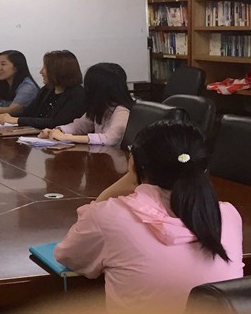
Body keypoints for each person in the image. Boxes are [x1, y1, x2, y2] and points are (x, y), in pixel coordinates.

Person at [54, 120, 244, 313]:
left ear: (133, 164)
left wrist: (127, 180)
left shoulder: (108, 217)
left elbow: (68, 256)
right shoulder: (227, 215)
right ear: (203, 168)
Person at [38, 62, 134, 146]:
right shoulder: (100, 106)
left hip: (116, 158)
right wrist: (58, 130)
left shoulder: (122, 110)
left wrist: (67, 137)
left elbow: (109, 139)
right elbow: (80, 125)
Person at [0, 50, 85, 128]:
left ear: (59, 70)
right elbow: (28, 113)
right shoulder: (47, 90)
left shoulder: (77, 94)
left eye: (45, 68)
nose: (41, 72)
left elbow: (57, 122)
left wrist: (16, 120)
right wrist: (3, 116)